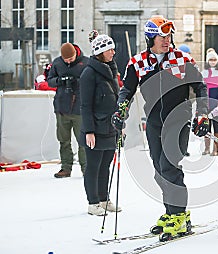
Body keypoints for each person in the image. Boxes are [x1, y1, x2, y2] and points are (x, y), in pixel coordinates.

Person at [111, 16, 208, 238]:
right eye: (161, 36)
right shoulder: (137, 63)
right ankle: (171, 211)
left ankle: (179, 215)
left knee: (169, 166)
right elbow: (127, 90)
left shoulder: (182, 59)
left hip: (179, 120)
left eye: (168, 36)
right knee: (159, 170)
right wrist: (120, 109)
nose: (166, 40)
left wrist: (203, 114)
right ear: (150, 38)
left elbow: (200, 88)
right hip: (154, 121)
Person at [78, 34, 121, 216]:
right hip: (95, 128)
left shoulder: (111, 70)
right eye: (109, 49)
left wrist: (121, 124)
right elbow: (85, 105)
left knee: (106, 166)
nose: (113, 52)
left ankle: (104, 199)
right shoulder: (89, 73)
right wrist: (89, 131)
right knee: (94, 166)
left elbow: (117, 99)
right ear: (100, 52)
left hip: (111, 127)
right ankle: (93, 202)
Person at [47, 42, 88, 178]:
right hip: (62, 107)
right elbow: (49, 80)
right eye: (66, 60)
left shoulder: (86, 63)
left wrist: (78, 81)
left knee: (83, 141)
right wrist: (61, 80)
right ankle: (66, 167)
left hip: (79, 108)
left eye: (71, 59)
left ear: (76, 53)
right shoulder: (57, 63)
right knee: (63, 140)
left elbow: (91, 81)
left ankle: (86, 168)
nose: (69, 62)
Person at [201, 49, 218, 156]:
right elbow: (201, 88)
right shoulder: (204, 73)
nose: (212, 61)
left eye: (214, 59)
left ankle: (215, 149)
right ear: (207, 61)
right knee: (206, 126)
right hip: (206, 103)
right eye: (210, 59)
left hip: (216, 103)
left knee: (216, 125)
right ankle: (206, 148)